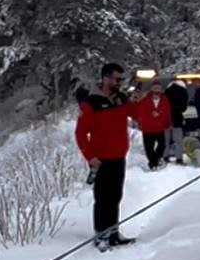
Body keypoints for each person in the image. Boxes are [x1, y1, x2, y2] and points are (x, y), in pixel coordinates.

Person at [74, 62, 142, 249]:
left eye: (121, 79)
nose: (119, 82)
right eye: (116, 79)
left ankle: (113, 233)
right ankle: (101, 235)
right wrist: (90, 157)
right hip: (100, 159)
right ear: (105, 78)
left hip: (118, 156)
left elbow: (137, 115)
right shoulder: (91, 103)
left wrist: (136, 102)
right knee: (102, 198)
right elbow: (80, 134)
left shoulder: (121, 98)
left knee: (115, 197)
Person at [133, 76, 173, 169]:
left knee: (162, 145)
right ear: (151, 88)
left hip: (159, 127)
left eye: (158, 88)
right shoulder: (145, 99)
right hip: (148, 127)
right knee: (149, 148)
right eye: (155, 88)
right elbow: (138, 110)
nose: (156, 90)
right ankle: (153, 163)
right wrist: (149, 114)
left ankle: (156, 159)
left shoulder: (164, 99)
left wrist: (168, 123)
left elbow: (167, 112)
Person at [163, 76, 189, 164]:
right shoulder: (183, 91)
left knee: (166, 139)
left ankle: (165, 156)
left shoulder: (167, 91)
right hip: (177, 118)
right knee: (178, 140)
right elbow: (184, 108)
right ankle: (179, 158)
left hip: (166, 118)